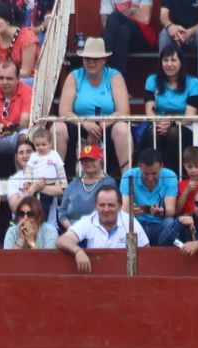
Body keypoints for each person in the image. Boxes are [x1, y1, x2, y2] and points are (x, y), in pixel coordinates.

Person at [53, 37, 132, 175]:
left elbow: (123, 110)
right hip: (79, 125)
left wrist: (100, 126)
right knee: (57, 128)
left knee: (122, 129)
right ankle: (59, 181)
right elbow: (64, 111)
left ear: (103, 60)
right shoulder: (74, 76)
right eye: (87, 58)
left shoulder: (114, 76)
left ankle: (126, 181)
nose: (90, 62)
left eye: (95, 59)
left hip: (107, 126)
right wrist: (85, 124)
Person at [57, 185, 150, 273]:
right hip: (95, 277)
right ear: (96, 206)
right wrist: (78, 251)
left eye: (111, 205)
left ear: (120, 206)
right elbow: (62, 240)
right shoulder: (88, 221)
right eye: (102, 205)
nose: (106, 209)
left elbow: (147, 251)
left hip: (125, 276)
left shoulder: (130, 223)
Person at [0, 58, 32, 169]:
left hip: (16, 131)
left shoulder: (27, 91)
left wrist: (10, 128)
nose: (4, 82)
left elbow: (25, 121)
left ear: (18, 79)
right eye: (1, 78)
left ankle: (23, 179)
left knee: (25, 135)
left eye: (9, 79)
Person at [158, 0, 198, 83]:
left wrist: (190, 32)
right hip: (177, 36)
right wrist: (171, 27)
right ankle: (163, 79)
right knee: (164, 33)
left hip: (197, 37)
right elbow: (163, 16)